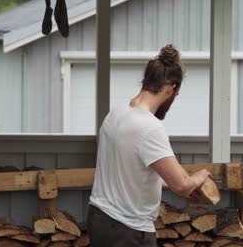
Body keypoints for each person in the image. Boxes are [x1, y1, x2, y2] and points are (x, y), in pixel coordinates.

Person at [87, 45, 212, 247]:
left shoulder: (116, 114)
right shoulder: (149, 127)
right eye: (176, 95)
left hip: (99, 219)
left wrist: (170, 183)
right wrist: (201, 175)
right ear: (171, 89)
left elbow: (131, 173)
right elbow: (182, 185)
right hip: (128, 231)